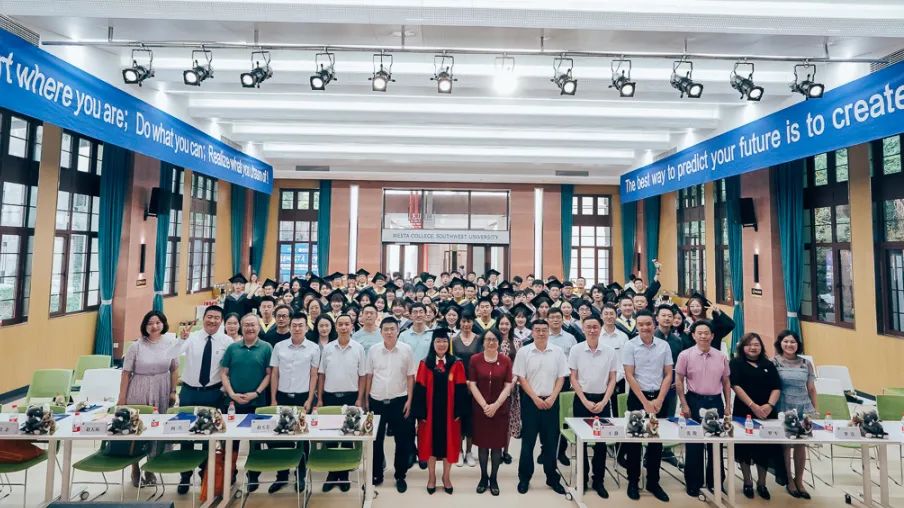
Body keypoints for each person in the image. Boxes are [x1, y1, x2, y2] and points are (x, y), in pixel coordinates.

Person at [168, 305, 232, 493]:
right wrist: (181, 339)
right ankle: (185, 476)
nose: (212, 321)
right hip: (190, 392)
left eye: (217, 318)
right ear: (203, 318)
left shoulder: (227, 341)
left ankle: (205, 474)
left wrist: (224, 390)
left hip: (213, 393)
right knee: (186, 436)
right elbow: (171, 355)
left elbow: (228, 368)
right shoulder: (192, 337)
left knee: (208, 437)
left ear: (221, 321)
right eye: (209, 317)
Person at [119, 310, 178, 487]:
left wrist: (173, 391)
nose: (154, 326)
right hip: (139, 389)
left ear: (163, 324)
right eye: (150, 323)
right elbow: (126, 373)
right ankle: (135, 468)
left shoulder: (170, 343)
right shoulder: (136, 346)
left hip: (162, 389)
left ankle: (150, 468)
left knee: (156, 430)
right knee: (137, 429)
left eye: (158, 322)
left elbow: (174, 369)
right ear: (145, 326)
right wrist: (122, 398)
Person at [675, 320, 731, 498]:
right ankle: (694, 482)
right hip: (694, 401)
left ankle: (716, 482)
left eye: (707, 333)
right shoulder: (685, 355)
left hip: (715, 402)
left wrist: (728, 405)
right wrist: (684, 403)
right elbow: (679, 380)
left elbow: (726, 381)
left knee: (716, 444)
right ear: (693, 335)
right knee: (694, 443)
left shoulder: (721, 356)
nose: (703, 336)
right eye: (699, 333)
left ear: (712, 336)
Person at [513, 318, 568, 495]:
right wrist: (535, 398)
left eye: (544, 330)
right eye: (537, 330)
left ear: (548, 331)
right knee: (528, 443)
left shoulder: (557, 352)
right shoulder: (524, 352)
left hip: (552, 402)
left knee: (551, 443)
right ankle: (524, 478)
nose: (541, 333)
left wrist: (552, 397)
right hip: (531, 402)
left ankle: (552, 478)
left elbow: (561, 377)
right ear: (532, 332)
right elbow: (522, 378)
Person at [621, 310, 672, 502]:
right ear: (637, 326)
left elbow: (668, 374)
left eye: (648, 324)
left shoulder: (664, 345)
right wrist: (645, 403)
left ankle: (653, 481)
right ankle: (633, 481)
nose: (645, 327)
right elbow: (629, 375)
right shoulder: (630, 345)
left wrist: (659, 400)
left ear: (654, 324)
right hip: (637, 399)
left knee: (655, 442)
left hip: (659, 398)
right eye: (641, 324)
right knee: (634, 442)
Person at [412, 328, 469, 495]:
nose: (442, 344)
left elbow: (461, 389)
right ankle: (431, 477)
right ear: (433, 343)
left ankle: (446, 477)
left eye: (444, 341)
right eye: (438, 341)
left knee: (448, 446)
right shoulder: (425, 363)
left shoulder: (456, 363)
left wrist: (459, 411)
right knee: (429, 444)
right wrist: (421, 413)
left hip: (450, 414)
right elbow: (419, 389)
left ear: (448, 344)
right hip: (430, 414)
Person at [267, 312, 319, 493]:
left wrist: (310, 399)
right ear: (289, 327)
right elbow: (275, 373)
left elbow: (314, 375)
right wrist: (273, 399)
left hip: (302, 397)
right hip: (282, 397)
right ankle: (281, 475)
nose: (297, 328)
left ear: (306, 328)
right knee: (281, 437)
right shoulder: (279, 347)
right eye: (294, 325)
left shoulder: (313, 348)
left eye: (300, 325)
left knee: (302, 439)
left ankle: (301, 475)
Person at [221, 314, 273, 492]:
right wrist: (232, 394)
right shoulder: (232, 348)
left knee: (255, 441)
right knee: (231, 441)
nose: (250, 328)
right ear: (241, 327)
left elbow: (269, 374)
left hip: (257, 401)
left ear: (259, 327)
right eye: (246, 325)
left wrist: (256, 393)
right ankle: (230, 473)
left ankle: (254, 475)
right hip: (233, 402)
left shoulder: (266, 347)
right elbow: (224, 373)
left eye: (253, 325)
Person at [569, 315, 618, 498]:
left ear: (600, 328)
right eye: (588, 327)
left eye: (595, 327)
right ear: (583, 329)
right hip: (582, 399)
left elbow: (612, 378)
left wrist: (604, 401)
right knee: (581, 440)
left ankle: (598, 480)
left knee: (601, 443)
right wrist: (584, 400)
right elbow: (573, 377)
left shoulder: (609, 351)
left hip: (603, 400)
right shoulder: (576, 350)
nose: (592, 330)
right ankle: (582, 477)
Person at [366, 317, 417, 492]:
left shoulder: (406, 349)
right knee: (376, 440)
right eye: (386, 329)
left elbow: (410, 376)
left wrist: (410, 400)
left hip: (399, 400)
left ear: (398, 330)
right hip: (377, 401)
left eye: (392, 329)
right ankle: (376, 474)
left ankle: (400, 475)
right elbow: (369, 375)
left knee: (402, 440)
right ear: (380, 332)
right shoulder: (373, 350)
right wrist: (366, 399)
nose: (389, 332)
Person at [317, 314, 366, 491]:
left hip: (351, 397)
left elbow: (362, 376)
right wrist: (320, 398)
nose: (344, 327)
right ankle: (332, 473)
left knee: (347, 437)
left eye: (347, 324)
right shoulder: (328, 348)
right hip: (330, 397)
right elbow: (321, 374)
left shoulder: (358, 348)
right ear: (336, 327)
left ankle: (344, 474)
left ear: (352, 327)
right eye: (340, 324)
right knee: (330, 437)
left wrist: (360, 399)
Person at [730, 332, 781, 500]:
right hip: (744, 410)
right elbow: (735, 385)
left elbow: (776, 387)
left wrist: (769, 405)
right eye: (749, 344)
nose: (753, 347)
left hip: (767, 412)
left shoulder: (768, 364)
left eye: (756, 344)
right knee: (744, 447)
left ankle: (762, 483)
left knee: (764, 447)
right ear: (742, 347)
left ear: (761, 347)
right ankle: (747, 481)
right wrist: (753, 406)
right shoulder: (736, 363)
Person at [468, 328, 514, 496]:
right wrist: (484, 405)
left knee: (496, 447)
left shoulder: (506, 360)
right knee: (482, 445)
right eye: (488, 339)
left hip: (500, 410)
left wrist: (495, 405)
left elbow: (508, 385)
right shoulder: (475, 359)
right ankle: (483, 477)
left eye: (494, 339)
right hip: (480, 410)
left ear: (499, 342)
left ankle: (493, 479)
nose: (491, 342)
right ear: (483, 342)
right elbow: (472, 384)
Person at [774, 329, 818, 500]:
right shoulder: (774, 362)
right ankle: (789, 480)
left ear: (797, 344)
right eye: (786, 341)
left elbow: (811, 388)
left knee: (801, 445)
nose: (789, 344)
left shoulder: (806, 363)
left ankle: (799, 480)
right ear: (780, 344)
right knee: (786, 445)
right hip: (783, 407)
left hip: (803, 407)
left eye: (792, 342)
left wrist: (815, 410)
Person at [452, 311, 483, 467]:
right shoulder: (453, 340)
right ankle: (459, 451)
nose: (466, 324)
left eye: (469, 321)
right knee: (458, 418)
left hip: (474, 385)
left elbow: (481, 362)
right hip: (457, 385)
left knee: (471, 419)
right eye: (463, 321)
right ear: (460, 322)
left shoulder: (479, 339)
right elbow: (451, 362)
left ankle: (469, 452)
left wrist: (473, 382)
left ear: (473, 322)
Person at [495, 313, 520, 463]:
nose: (504, 327)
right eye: (501, 324)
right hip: (494, 386)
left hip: (511, 387)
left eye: (507, 324)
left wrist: (513, 381)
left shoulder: (517, 342)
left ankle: (506, 451)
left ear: (511, 326)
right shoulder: (492, 340)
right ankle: (495, 449)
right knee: (495, 419)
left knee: (508, 419)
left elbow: (519, 365)